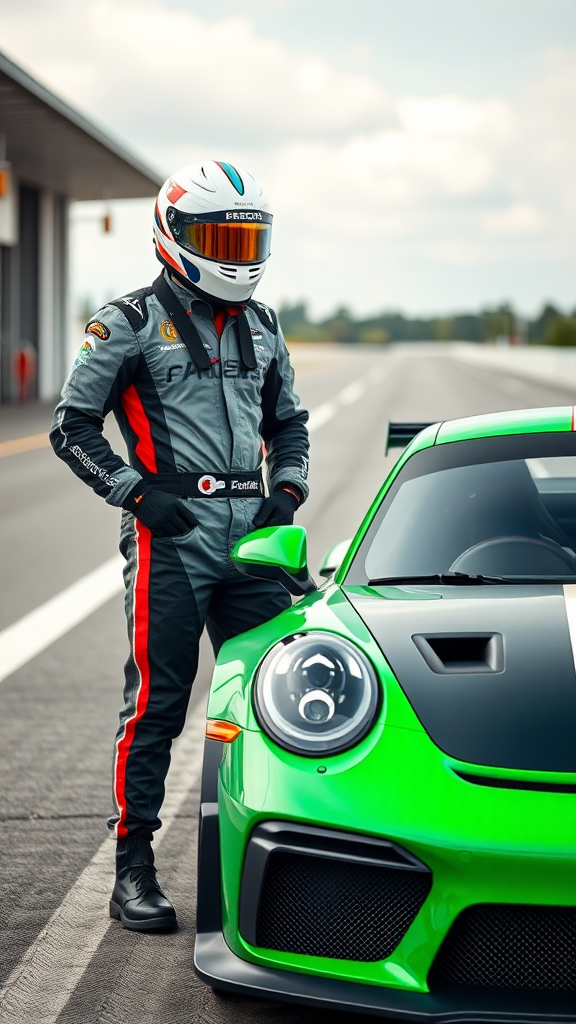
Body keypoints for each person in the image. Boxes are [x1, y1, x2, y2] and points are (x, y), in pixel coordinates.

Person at [50, 160, 309, 931]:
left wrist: (286, 493)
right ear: (175, 234)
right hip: (171, 539)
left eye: (246, 235)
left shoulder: (263, 324)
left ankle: (294, 857)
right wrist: (135, 494)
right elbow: (71, 426)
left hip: (255, 544)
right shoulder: (126, 321)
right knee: (160, 704)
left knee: (283, 697)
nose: (235, 250)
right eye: (219, 235)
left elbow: (289, 425)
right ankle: (133, 871)